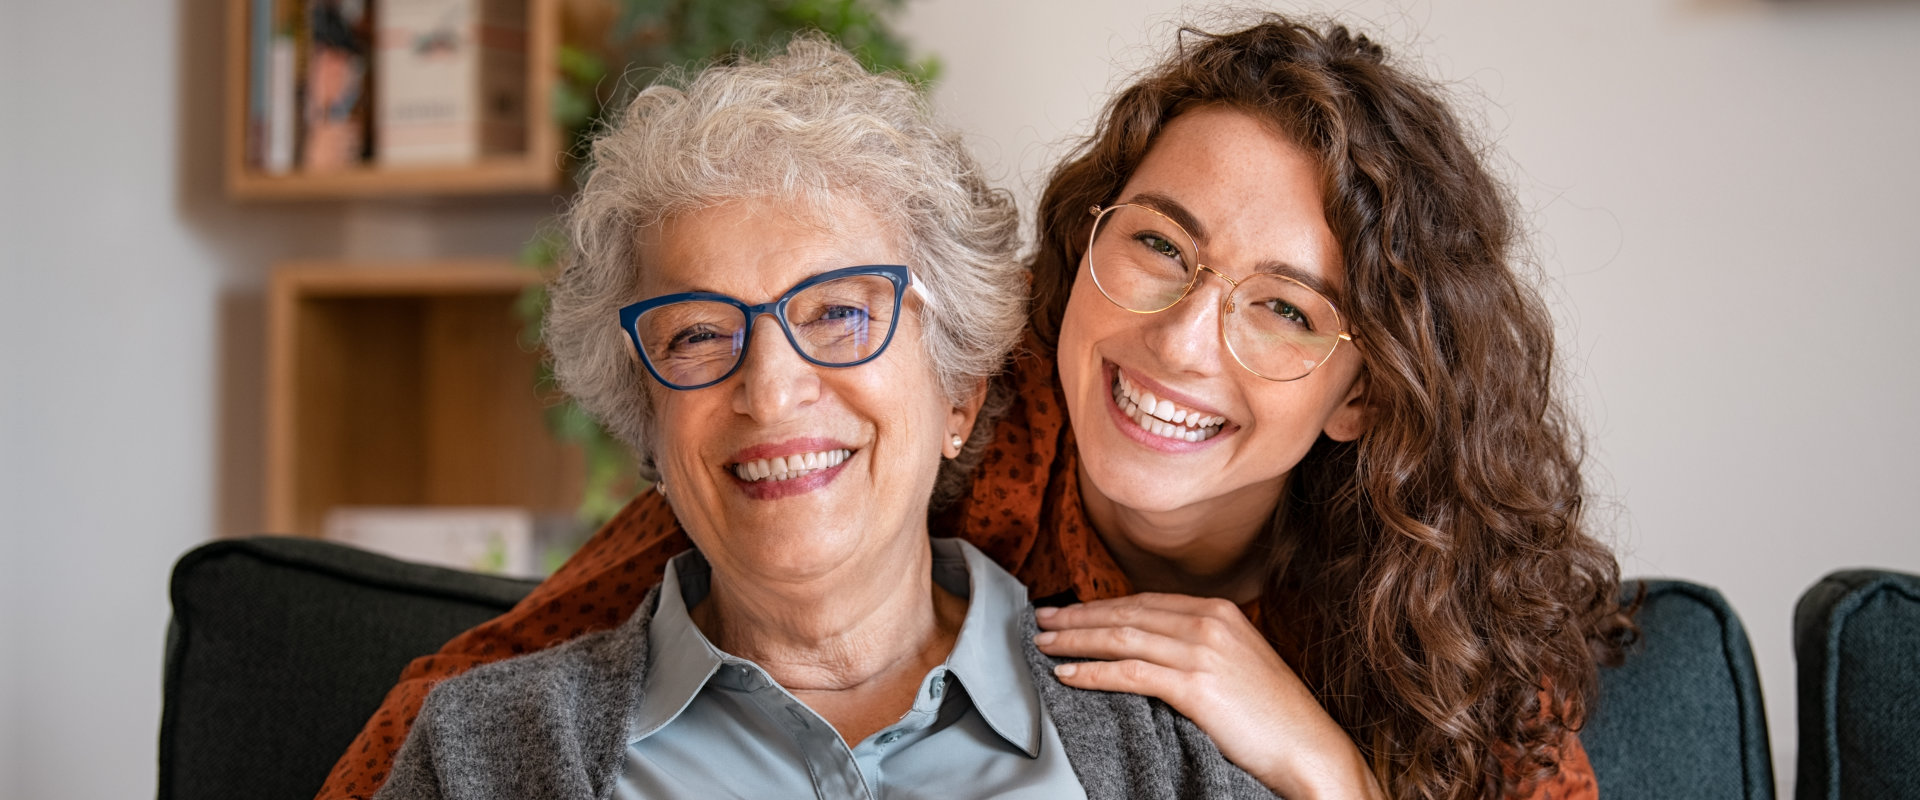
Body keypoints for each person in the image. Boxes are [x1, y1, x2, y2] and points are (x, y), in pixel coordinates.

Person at [322, 15, 1633, 800]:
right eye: (1160, 247)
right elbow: (509, 687)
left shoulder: (1447, 620)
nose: (1180, 342)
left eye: (1285, 308)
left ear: (1365, 389)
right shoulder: (949, 422)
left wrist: (1325, 773)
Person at [369, 36, 1274, 800]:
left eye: (840, 313)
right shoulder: (481, 752)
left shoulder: (1168, 741)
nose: (769, 391)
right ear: (647, 414)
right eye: (696, 334)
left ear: (959, 390)